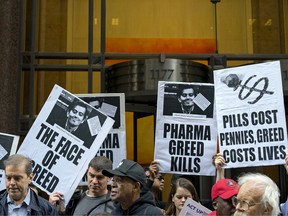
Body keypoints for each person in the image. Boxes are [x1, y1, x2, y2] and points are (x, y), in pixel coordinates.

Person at [49, 156, 114, 215]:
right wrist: (51, 207)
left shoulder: (115, 204)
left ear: (110, 177)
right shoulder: (74, 200)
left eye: (100, 177)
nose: (94, 181)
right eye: (91, 175)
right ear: (86, 173)